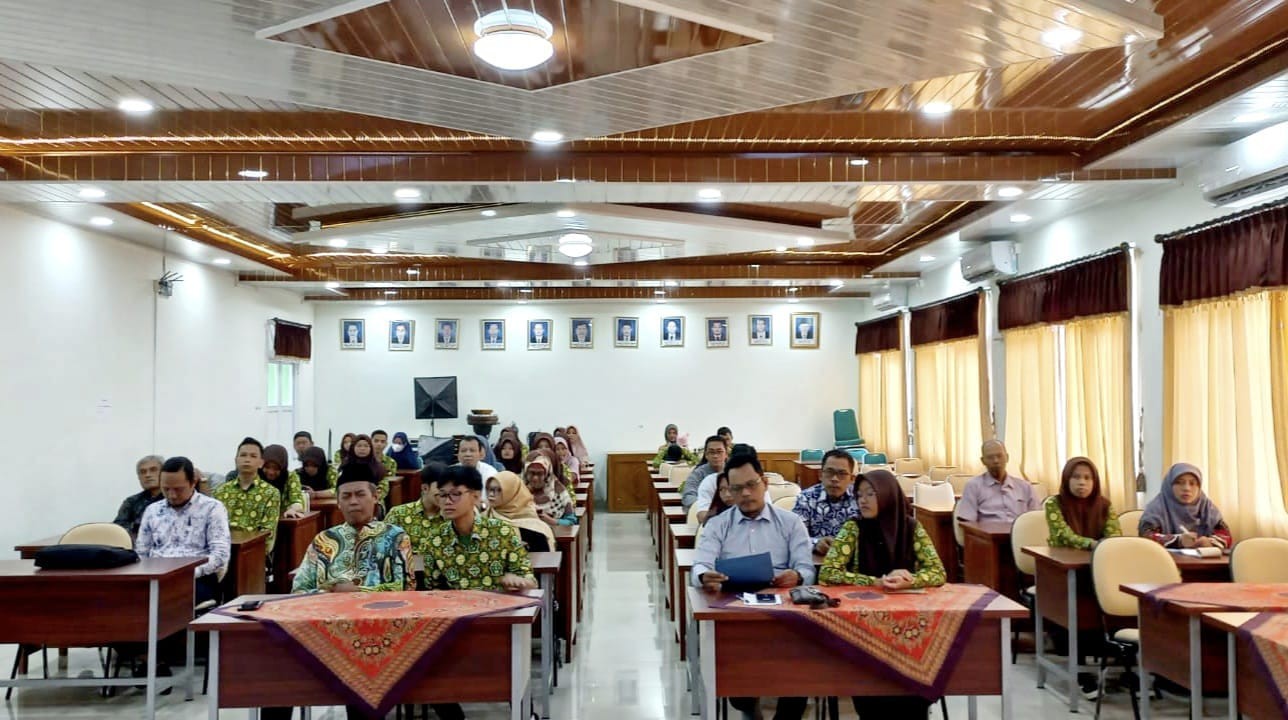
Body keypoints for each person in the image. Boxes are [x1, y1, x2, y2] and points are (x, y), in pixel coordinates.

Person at [692, 452, 812, 720]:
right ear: (729, 492)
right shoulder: (718, 525)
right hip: (736, 613)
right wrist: (704, 576)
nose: (745, 493)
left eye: (752, 485)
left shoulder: (790, 523)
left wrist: (798, 576)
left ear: (765, 483)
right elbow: (699, 565)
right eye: (737, 489)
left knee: (802, 666)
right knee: (737, 678)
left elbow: (807, 569)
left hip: (786, 615)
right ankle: (749, 708)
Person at [819, 469, 946, 720]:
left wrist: (908, 580)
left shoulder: (911, 527)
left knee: (912, 694)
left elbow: (938, 572)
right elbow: (828, 573)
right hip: (864, 624)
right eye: (859, 495)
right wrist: (876, 581)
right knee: (872, 698)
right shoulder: (853, 528)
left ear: (888, 495)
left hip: (909, 625)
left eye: (871, 494)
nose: (862, 500)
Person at [291, 462, 413, 594]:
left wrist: (357, 592)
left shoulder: (396, 537)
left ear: (375, 497)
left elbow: (407, 587)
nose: (353, 501)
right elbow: (299, 590)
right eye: (346, 496)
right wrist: (330, 593)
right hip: (330, 609)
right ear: (338, 502)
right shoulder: (324, 540)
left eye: (360, 494)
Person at [423, 465, 537, 592]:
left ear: (476, 496)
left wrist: (518, 581)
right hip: (456, 609)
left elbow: (529, 580)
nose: (448, 501)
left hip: (499, 608)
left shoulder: (501, 532)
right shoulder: (435, 540)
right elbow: (433, 588)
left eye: (455, 494)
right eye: (443, 495)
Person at [136, 456, 231, 605]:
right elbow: (141, 552)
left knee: (173, 605)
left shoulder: (212, 508)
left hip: (196, 577)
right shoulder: (152, 510)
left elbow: (220, 555)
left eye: (178, 489)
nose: (172, 495)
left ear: (193, 483)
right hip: (157, 577)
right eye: (166, 489)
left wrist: (187, 573)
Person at [1139, 463, 1233, 550]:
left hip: (1205, 564)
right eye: (1180, 482)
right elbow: (1146, 537)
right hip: (1165, 564)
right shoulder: (1156, 508)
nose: (1187, 488)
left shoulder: (1207, 507)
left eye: (1192, 483)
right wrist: (1178, 540)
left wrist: (1211, 542)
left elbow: (1226, 536)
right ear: (1169, 485)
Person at [213, 437, 282, 552]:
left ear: (261, 463)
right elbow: (212, 527)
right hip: (220, 550)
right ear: (236, 460)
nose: (247, 459)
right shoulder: (220, 491)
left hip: (252, 552)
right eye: (243, 455)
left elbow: (268, 534)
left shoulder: (270, 493)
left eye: (253, 456)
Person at [955, 440, 1040, 524]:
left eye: (999, 456)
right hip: (987, 536)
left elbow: (1037, 519)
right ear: (983, 461)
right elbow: (967, 523)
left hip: (1019, 536)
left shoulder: (1025, 487)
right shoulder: (973, 486)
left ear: (1007, 458)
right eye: (990, 457)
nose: (996, 461)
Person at [1045, 457, 1122, 549]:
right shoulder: (1054, 503)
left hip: (1098, 558)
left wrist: (1107, 546)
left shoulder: (1105, 505)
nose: (1082, 482)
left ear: (1095, 482)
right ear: (1066, 479)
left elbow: (1114, 536)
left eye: (1087, 478)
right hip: (1062, 559)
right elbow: (1064, 535)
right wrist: (1091, 544)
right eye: (1076, 477)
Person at [792, 448, 858, 554]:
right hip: (816, 561)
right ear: (820, 475)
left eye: (842, 474)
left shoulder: (860, 499)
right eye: (829, 472)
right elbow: (795, 536)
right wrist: (816, 543)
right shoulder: (806, 498)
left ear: (852, 479)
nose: (835, 479)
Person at [384, 462, 448, 557]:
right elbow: (384, 549)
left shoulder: (453, 517)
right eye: (440, 488)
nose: (445, 494)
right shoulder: (399, 514)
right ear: (425, 488)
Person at [486, 471, 555, 551]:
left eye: (499, 490)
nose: (491, 494)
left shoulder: (534, 529)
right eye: (490, 489)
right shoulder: (483, 518)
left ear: (512, 492)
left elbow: (544, 560)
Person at [114, 454, 165, 537]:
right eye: (142, 472)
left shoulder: (174, 499)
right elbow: (118, 529)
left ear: (164, 473)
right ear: (139, 478)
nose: (147, 475)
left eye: (153, 470)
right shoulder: (132, 502)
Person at [523, 453, 577, 526]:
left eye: (539, 474)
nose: (535, 478)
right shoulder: (520, 492)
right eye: (531, 473)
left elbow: (571, 521)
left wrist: (550, 520)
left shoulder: (559, 492)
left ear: (547, 475)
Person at [687, 436, 732, 518]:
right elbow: (688, 496)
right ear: (706, 455)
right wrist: (704, 504)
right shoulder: (698, 473)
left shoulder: (733, 473)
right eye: (711, 452)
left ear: (726, 454)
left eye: (719, 452)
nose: (715, 456)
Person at [259, 444, 305, 519]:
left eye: (276, 468)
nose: (271, 472)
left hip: (282, 520)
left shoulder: (290, 477)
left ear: (283, 467)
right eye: (267, 467)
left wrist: (293, 509)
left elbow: (297, 500)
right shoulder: (256, 476)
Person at [345, 434, 390, 508]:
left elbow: (383, 488)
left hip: (373, 502)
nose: (362, 449)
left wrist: (366, 499)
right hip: (349, 501)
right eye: (359, 446)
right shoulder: (345, 466)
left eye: (366, 446)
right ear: (353, 448)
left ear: (371, 448)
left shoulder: (379, 468)